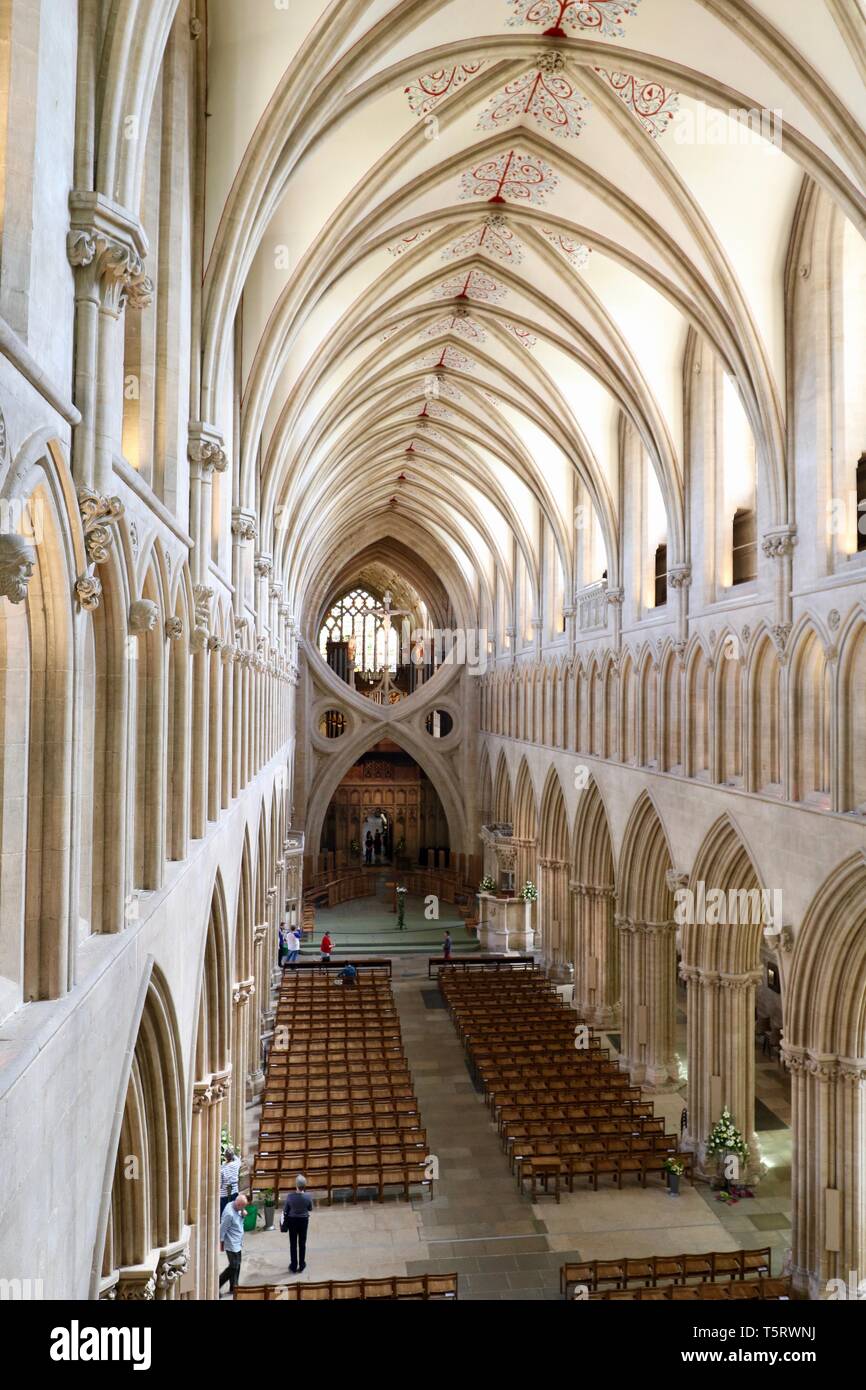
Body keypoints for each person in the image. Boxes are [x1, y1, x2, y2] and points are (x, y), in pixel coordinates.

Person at [281, 1174, 313, 1273]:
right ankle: (302, 1264)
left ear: (296, 1185)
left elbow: (286, 1209)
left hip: (292, 1221)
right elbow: (310, 1208)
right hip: (303, 1221)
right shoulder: (308, 1196)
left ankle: (293, 1265)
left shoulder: (290, 1197)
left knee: (293, 1244)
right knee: (302, 1243)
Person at [218, 1193, 248, 1295]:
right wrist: (221, 1243)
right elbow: (222, 1229)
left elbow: (239, 1220)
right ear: (238, 1205)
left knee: (237, 1265)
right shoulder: (229, 1214)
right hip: (231, 1243)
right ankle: (217, 1283)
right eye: (243, 1207)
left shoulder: (235, 1205)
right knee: (233, 1266)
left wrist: (243, 1214)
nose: (244, 1209)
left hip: (237, 1241)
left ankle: (234, 1287)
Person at [220, 1147, 241, 1214]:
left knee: (224, 1213)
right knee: (234, 1212)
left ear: (225, 1157)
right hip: (234, 1191)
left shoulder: (222, 1168)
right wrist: (231, 1152)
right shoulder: (237, 1164)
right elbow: (237, 1158)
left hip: (224, 1194)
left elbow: (220, 1184)